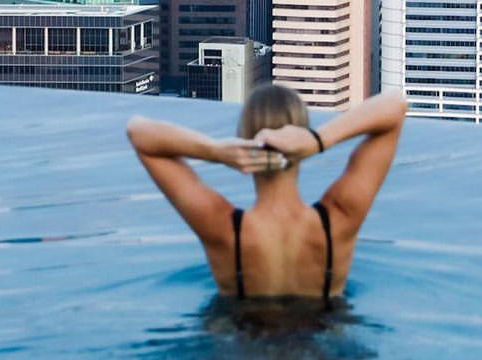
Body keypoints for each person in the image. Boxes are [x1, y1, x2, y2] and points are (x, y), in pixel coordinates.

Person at [127, 86, 406, 303]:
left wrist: (214, 150)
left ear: (242, 138)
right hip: (321, 344)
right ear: (301, 140)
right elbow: (395, 105)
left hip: (244, 345)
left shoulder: (222, 228)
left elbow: (138, 132)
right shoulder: (340, 217)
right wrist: (319, 139)